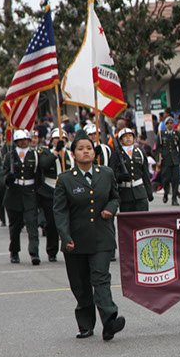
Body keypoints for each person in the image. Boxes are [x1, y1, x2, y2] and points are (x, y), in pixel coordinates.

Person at [53, 129, 125, 341]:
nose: (86, 152)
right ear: (73, 154)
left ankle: (110, 320)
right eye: (81, 149)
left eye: (89, 148)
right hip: (76, 239)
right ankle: (85, 324)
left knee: (100, 278)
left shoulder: (106, 173)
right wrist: (65, 238)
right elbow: (60, 211)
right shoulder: (65, 179)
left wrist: (111, 208)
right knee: (80, 283)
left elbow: (115, 197)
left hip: (102, 236)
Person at [2, 130, 41, 264]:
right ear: (15, 142)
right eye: (20, 140)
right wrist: (8, 179)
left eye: (26, 139)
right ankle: (14, 251)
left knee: (32, 224)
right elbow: (3, 173)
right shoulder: (9, 156)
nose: (23, 142)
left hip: (29, 193)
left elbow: (38, 175)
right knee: (15, 226)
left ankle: (34, 252)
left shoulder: (34, 155)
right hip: (14, 193)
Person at [37, 129, 74, 262]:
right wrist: (56, 152)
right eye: (56, 139)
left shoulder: (70, 154)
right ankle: (52, 251)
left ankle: (68, 246)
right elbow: (44, 165)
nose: (60, 141)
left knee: (69, 221)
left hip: (67, 190)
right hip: (50, 190)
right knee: (52, 223)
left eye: (62, 139)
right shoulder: (46, 152)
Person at [109, 127, 153, 211]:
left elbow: (145, 173)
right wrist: (120, 177)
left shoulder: (140, 152)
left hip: (140, 193)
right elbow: (112, 173)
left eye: (130, 136)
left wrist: (149, 191)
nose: (128, 138)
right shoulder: (117, 154)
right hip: (125, 195)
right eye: (125, 136)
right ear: (121, 140)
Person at [156, 116, 180, 206]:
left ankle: (174, 199)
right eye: (168, 123)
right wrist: (158, 160)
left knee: (175, 179)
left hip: (175, 159)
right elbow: (158, 148)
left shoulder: (177, 133)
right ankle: (166, 192)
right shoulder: (161, 134)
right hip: (165, 159)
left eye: (171, 123)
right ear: (165, 124)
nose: (169, 125)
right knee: (166, 179)